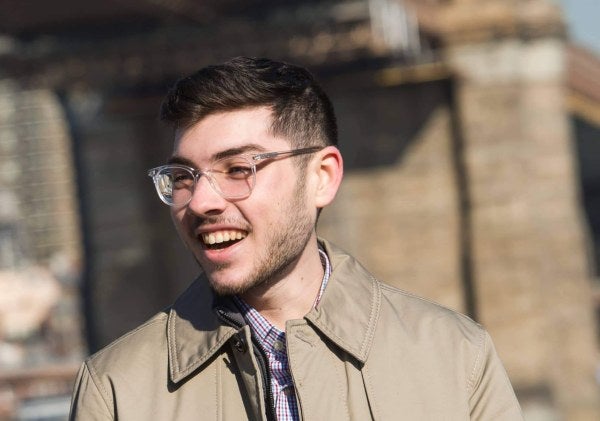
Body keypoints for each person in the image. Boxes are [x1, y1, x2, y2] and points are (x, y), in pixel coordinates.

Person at [69, 57, 523, 420]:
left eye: (238, 169)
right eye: (183, 175)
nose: (202, 201)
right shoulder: (114, 393)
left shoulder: (456, 355)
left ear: (321, 177)